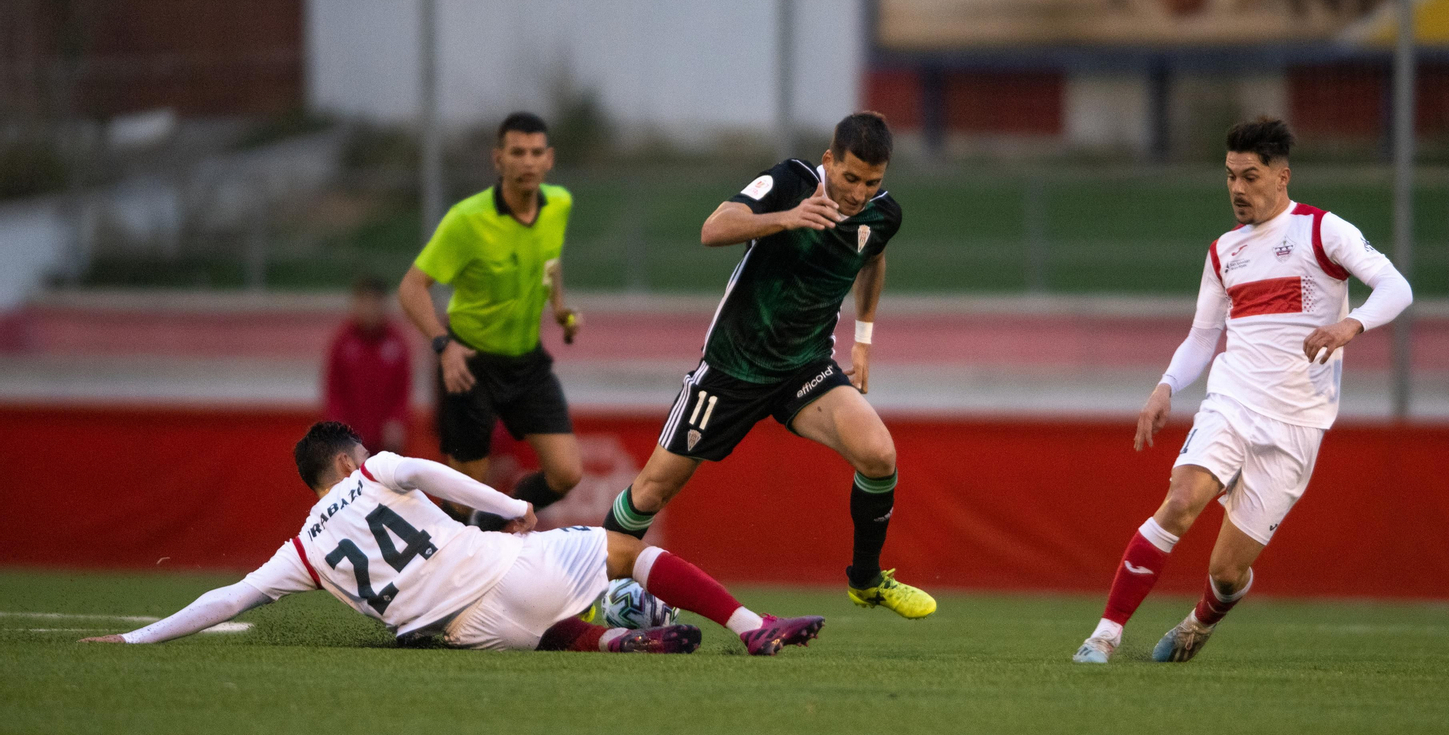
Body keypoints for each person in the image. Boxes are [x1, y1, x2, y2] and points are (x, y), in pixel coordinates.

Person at [1072, 117, 1414, 664]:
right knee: (1180, 502)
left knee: (1226, 571)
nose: (1236, 188)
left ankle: (1202, 620)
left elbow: (1397, 286)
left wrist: (1351, 325)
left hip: (1297, 421)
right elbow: (1203, 336)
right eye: (1229, 176)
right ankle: (1104, 636)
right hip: (1231, 401)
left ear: (1282, 177)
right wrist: (1165, 387)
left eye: (1249, 176)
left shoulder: (1323, 230)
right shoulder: (1223, 252)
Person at [81, 421, 826, 655]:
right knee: (626, 550)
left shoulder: (300, 550)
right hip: (504, 571)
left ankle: (611, 642)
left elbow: (227, 597)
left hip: (468, 634)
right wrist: (510, 503)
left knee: (546, 621)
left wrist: (136, 641)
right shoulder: (376, 471)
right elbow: (433, 471)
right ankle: (752, 627)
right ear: (348, 461)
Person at [601, 111, 935, 619]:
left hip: (805, 367)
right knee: (652, 489)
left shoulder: (883, 215)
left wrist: (863, 340)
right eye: (850, 178)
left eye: (872, 182)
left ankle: (865, 581)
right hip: (733, 366)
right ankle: (579, 590)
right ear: (829, 161)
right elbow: (712, 229)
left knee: (879, 455)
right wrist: (787, 217)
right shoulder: (790, 181)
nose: (859, 192)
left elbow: (873, 258)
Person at [398, 112, 584, 522]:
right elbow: (410, 289)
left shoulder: (560, 205)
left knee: (567, 473)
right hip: (470, 363)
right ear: (498, 160)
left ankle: (497, 522)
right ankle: (440, 567)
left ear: (549, 159)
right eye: (517, 152)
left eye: (537, 152)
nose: (528, 162)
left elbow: (550, 260)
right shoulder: (467, 220)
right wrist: (442, 346)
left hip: (527, 363)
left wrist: (559, 308)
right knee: (463, 496)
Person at [323, 276, 411, 454]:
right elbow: (334, 391)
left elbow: (402, 391)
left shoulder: (397, 343)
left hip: (387, 443)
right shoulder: (342, 342)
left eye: (375, 303)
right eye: (364, 303)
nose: (370, 309)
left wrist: (397, 421)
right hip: (350, 441)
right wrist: (337, 428)